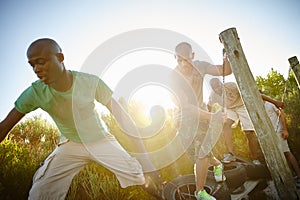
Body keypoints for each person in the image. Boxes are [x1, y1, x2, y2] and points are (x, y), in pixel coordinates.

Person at [0, 38, 161, 199]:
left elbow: (124, 120)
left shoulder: (90, 83)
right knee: (41, 191)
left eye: (41, 62)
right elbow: (4, 127)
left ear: (60, 58)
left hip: (101, 140)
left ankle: (167, 194)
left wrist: (146, 161)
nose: (36, 69)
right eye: (32, 64)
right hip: (70, 143)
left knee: (139, 176)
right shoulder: (35, 93)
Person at [170, 42, 231, 200]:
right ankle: (218, 165)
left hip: (201, 115)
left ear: (193, 56)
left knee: (202, 153)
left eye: (186, 59)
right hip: (182, 118)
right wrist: (214, 117)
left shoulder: (201, 66)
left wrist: (227, 54)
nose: (183, 64)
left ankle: (199, 193)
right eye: (179, 60)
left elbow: (226, 71)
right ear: (175, 58)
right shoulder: (173, 77)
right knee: (198, 155)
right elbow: (186, 106)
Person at [208, 78, 284, 165]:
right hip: (229, 109)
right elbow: (209, 106)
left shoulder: (232, 86)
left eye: (218, 86)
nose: (217, 89)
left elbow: (255, 94)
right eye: (214, 88)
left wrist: (275, 102)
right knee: (226, 124)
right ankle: (230, 154)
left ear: (221, 83)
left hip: (242, 106)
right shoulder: (213, 95)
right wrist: (209, 119)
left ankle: (255, 159)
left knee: (249, 133)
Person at [263, 99, 300, 187]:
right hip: (270, 135)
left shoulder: (270, 104)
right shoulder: (258, 107)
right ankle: (290, 177)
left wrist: (284, 129)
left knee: (287, 153)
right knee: (279, 156)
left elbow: (282, 114)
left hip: (279, 132)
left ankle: (299, 176)